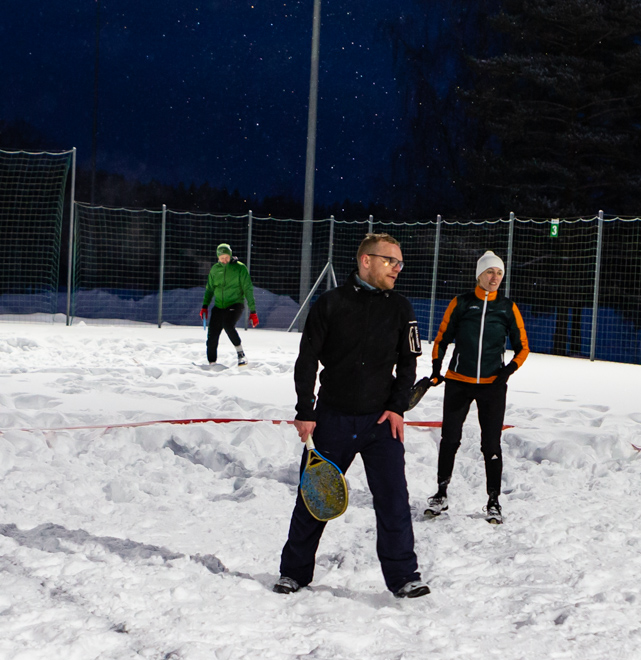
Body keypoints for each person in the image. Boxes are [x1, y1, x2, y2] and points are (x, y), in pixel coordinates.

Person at [275, 232, 429, 599]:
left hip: (381, 423)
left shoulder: (401, 308)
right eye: (390, 261)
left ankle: (404, 577)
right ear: (366, 260)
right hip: (332, 420)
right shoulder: (330, 304)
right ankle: (293, 572)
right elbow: (307, 360)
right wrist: (305, 410)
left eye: (400, 262)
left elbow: (408, 364)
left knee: (394, 500)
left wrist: (397, 407)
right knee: (314, 497)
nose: (397, 268)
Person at [423, 250, 527, 524]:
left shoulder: (507, 307)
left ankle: (494, 501)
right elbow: (442, 338)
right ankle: (441, 493)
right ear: (479, 275)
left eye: (499, 273)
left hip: (493, 386)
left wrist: (508, 370)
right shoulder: (461, 303)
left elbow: (523, 347)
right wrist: (436, 368)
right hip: (458, 382)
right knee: (450, 439)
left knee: (491, 443)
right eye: (490, 272)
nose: (495, 277)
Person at [199, 243, 257, 366]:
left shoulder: (240, 268)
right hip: (219, 306)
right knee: (212, 335)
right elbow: (209, 289)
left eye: (226, 257)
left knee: (228, 324)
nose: (224, 260)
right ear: (218, 258)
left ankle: (241, 354)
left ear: (230, 256)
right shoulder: (215, 269)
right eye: (222, 258)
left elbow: (248, 289)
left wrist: (253, 311)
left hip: (235, 304)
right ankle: (212, 364)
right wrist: (205, 306)